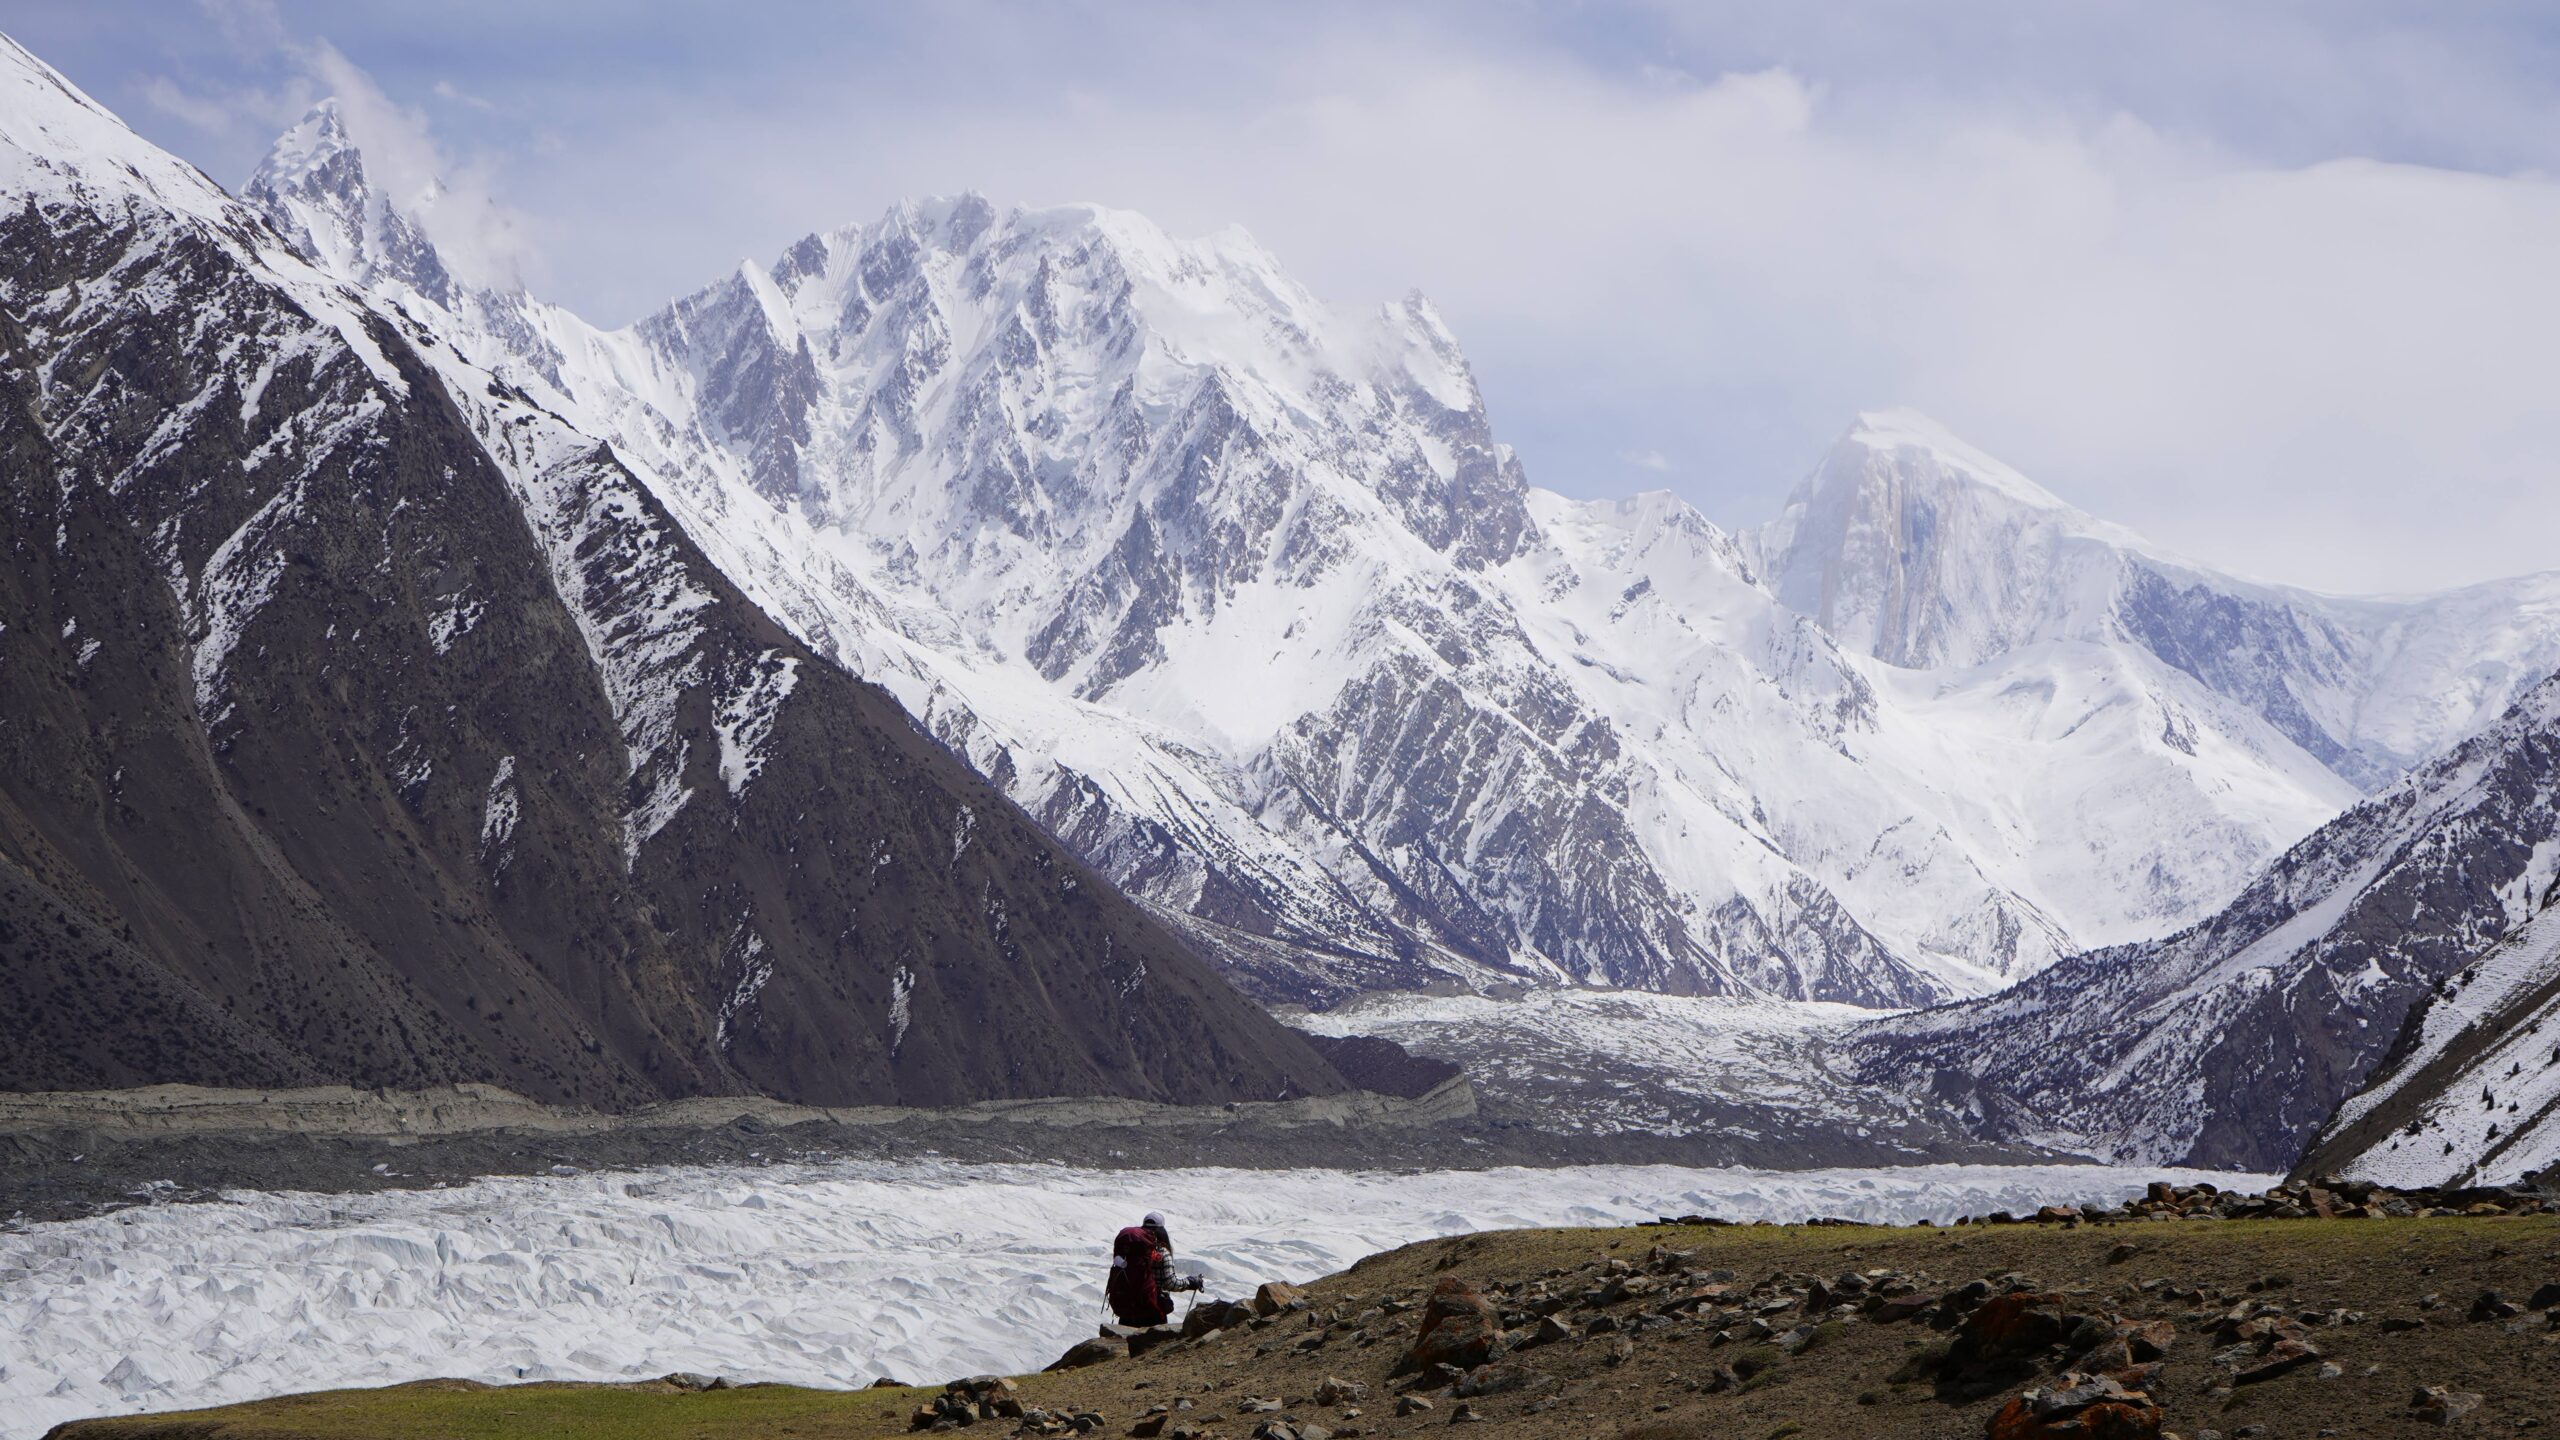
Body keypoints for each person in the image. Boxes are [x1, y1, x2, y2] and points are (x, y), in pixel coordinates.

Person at [1105, 1211, 1202, 1326]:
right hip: (1152, 1309)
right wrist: (1190, 1282)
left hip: (1128, 1309)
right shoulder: (1162, 1251)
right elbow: (1170, 1283)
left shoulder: (1129, 1249)